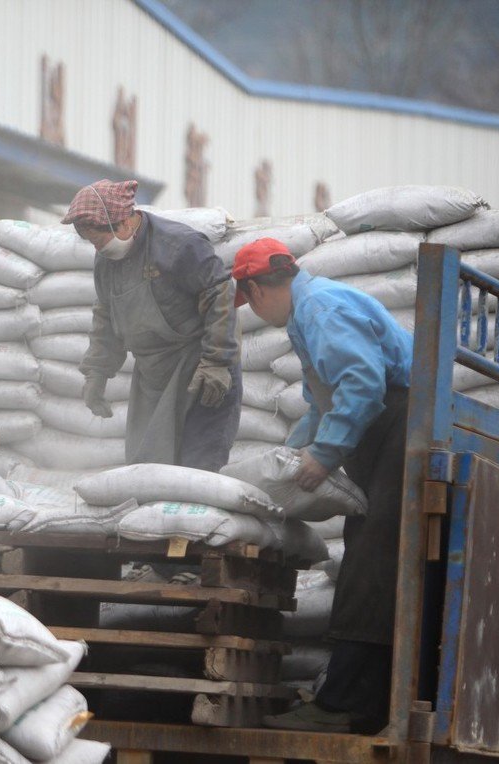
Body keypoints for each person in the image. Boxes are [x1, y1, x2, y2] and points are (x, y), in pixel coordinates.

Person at [232, 238, 412, 735]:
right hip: (386, 432)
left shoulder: (321, 308)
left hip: (402, 427)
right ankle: (364, 702)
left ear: (254, 288)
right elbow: (321, 405)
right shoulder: (306, 313)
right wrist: (287, 459)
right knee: (368, 551)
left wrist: (323, 456)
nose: (248, 308)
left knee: (374, 557)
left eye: (245, 299)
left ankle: (344, 705)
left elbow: (361, 384)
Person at [65, 179, 241, 471]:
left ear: (123, 222)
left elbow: (219, 295)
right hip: (152, 375)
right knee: (146, 467)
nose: (99, 250)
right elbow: (107, 316)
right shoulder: (106, 262)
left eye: (99, 240)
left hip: (199, 369)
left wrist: (217, 362)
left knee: (197, 466)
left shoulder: (178, 246)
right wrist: (96, 372)